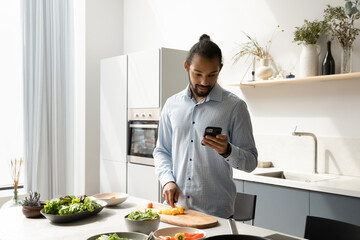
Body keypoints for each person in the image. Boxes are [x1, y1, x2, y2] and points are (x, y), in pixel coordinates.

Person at [153, 34, 258, 218]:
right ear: (186, 66)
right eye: (198, 74)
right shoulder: (171, 105)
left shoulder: (235, 107)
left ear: (220, 69)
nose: (204, 82)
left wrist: (227, 151)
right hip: (177, 211)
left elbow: (251, 162)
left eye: (212, 75)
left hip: (217, 215)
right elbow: (161, 150)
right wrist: (167, 181)